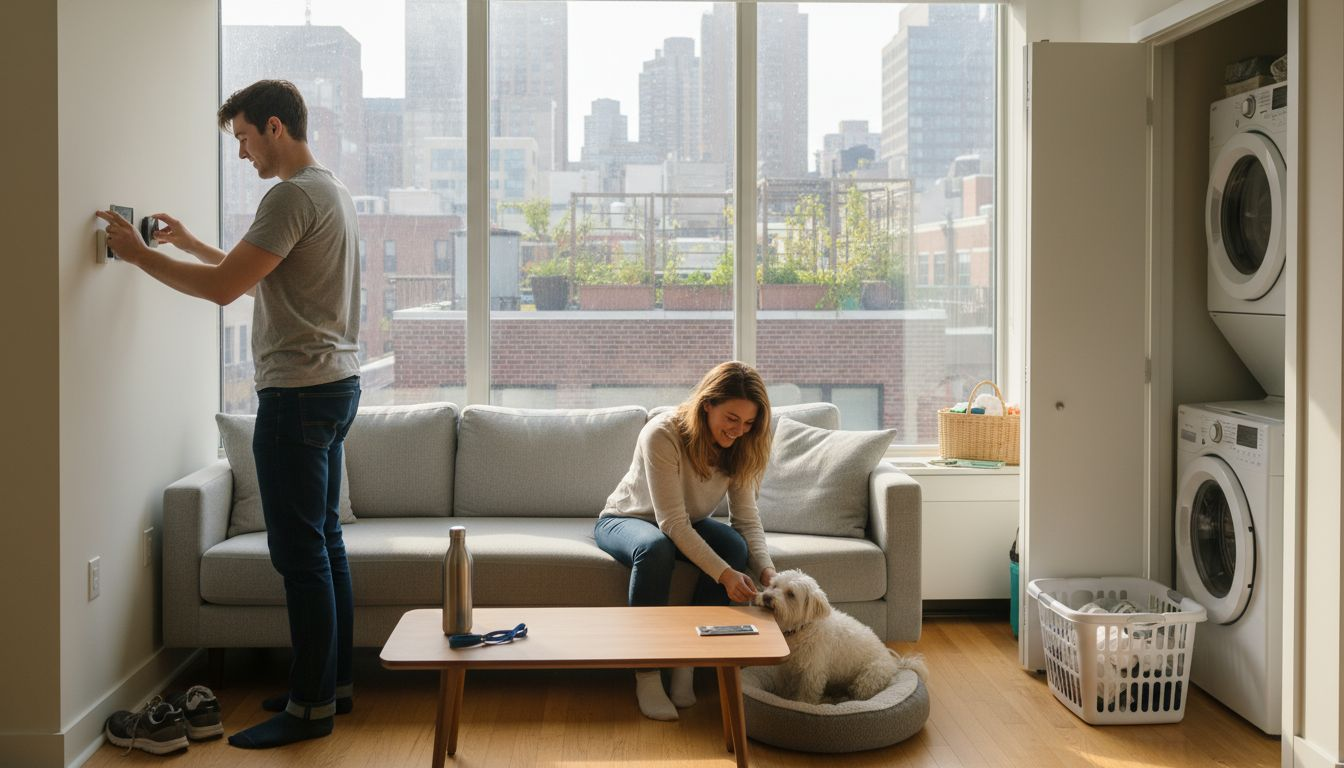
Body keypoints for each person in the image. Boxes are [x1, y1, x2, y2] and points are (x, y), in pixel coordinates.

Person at [95, 79, 361, 750]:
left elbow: (223, 291)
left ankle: (309, 708)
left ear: (275, 127)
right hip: (334, 386)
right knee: (323, 542)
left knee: (300, 553)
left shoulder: (291, 194)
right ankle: (332, 684)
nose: (241, 153)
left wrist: (138, 253)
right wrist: (183, 243)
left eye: (243, 138)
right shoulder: (331, 191)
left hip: (296, 395)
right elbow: (253, 272)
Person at [595, 361, 778, 721]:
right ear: (707, 404)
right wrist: (725, 576)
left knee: (734, 547)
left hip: (685, 523)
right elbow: (672, 524)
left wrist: (767, 571)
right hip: (626, 520)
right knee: (655, 549)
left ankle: (688, 661)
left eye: (748, 423)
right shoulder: (661, 434)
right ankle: (646, 674)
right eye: (731, 418)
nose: (739, 430)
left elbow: (745, 519)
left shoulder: (740, 446)